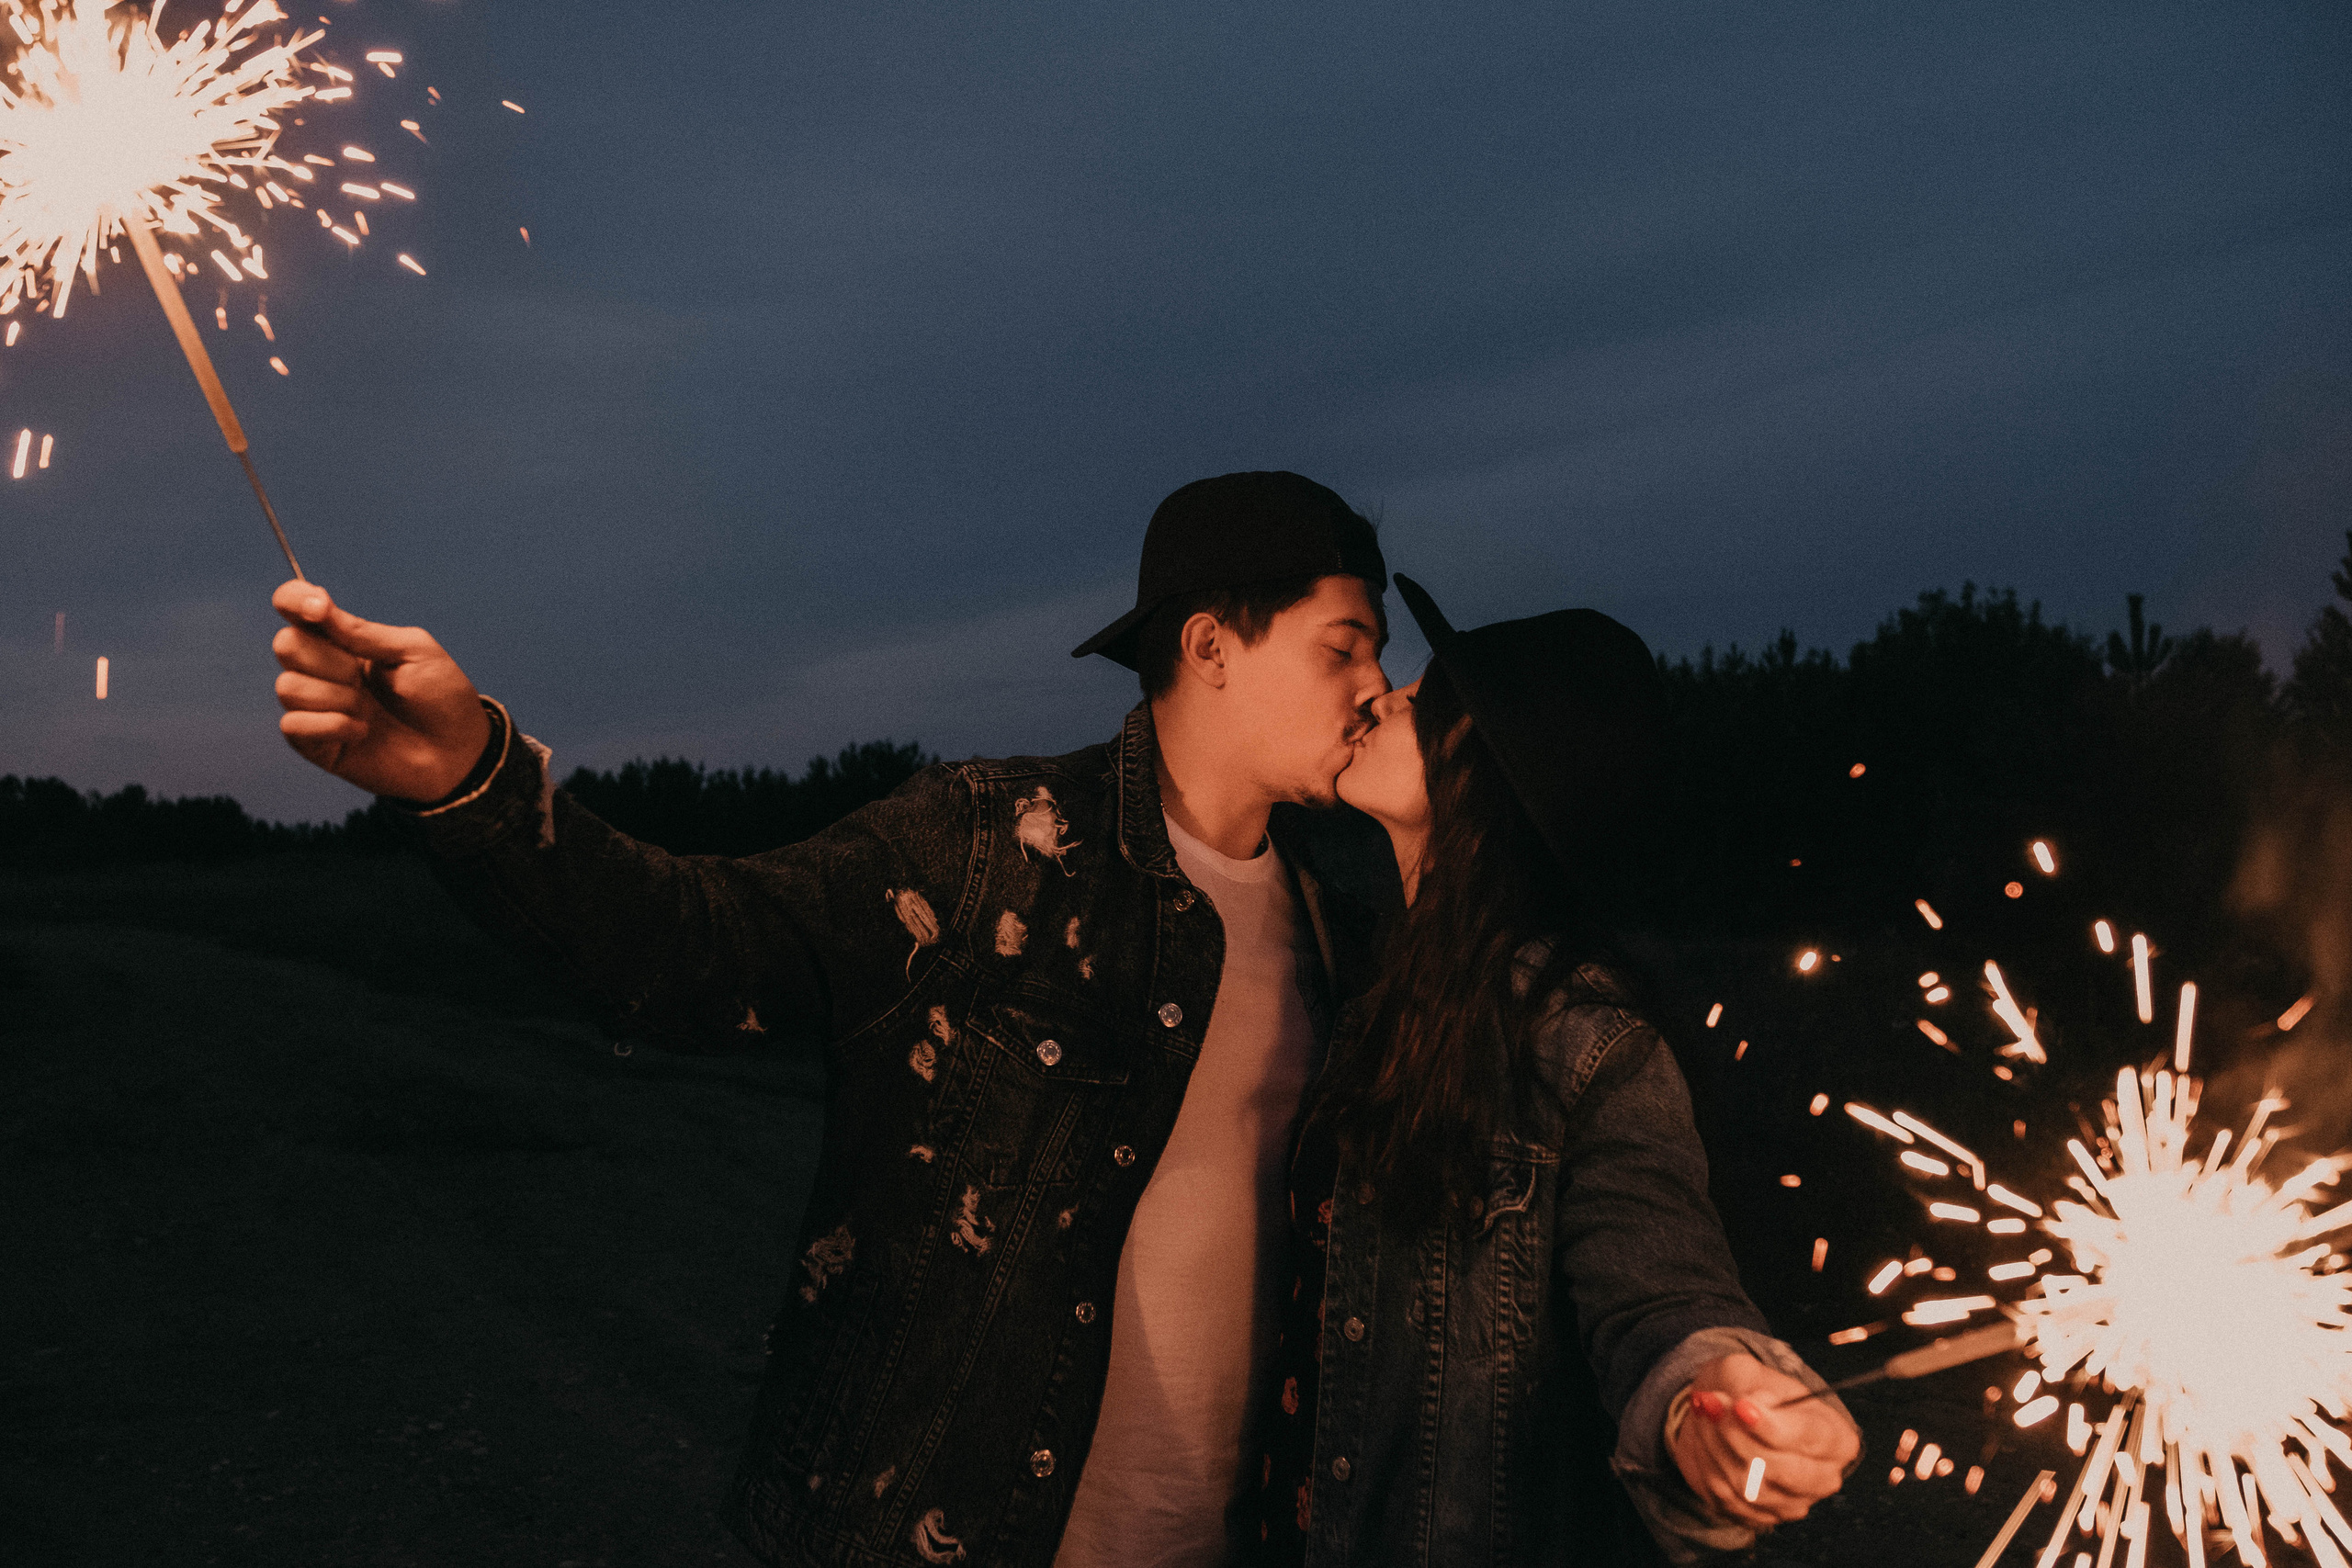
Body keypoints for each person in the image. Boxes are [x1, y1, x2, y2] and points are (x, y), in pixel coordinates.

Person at [266, 471, 1397, 1568]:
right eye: (1342, 645)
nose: (1375, 684)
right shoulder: (991, 845)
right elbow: (699, 946)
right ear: (1209, 648)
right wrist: (473, 778)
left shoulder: (1340, 923)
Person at [1248, 576, 1861, 1566]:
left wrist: (1707, 1390)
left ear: (1475, 765)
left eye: (1424, 698)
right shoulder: (1367, 985)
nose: (1383, 697)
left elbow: (1658, 1283)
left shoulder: (1584, 1039)